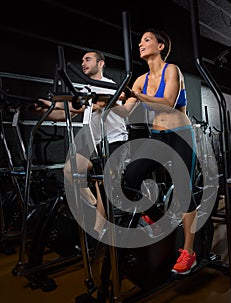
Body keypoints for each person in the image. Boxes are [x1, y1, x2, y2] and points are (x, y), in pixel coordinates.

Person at [115, 28, 198, 275]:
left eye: (147, 40)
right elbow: (126, 110)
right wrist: (103, 102)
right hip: (158, 138)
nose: (141, 44)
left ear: (160, 46)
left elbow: (169, 103)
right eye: (140, 41)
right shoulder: (139, 80)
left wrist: (136, 96)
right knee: (131, 176)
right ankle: (158, 218)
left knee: (184, 190)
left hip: (180, 135)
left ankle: (189, 252)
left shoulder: (171, 70)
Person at [36, 50, 129, 234]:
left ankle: (98, 231)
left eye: (88, 59)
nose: (83, 63)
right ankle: (94, 203)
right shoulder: (85, 91)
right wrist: (45, 110)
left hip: (115, 140)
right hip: (95, 143)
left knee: (101, 181)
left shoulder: (111, 86)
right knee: (69, 170)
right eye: (82, 60)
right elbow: (65, 113)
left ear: (100, 64)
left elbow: (105, 104)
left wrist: (94, 104)